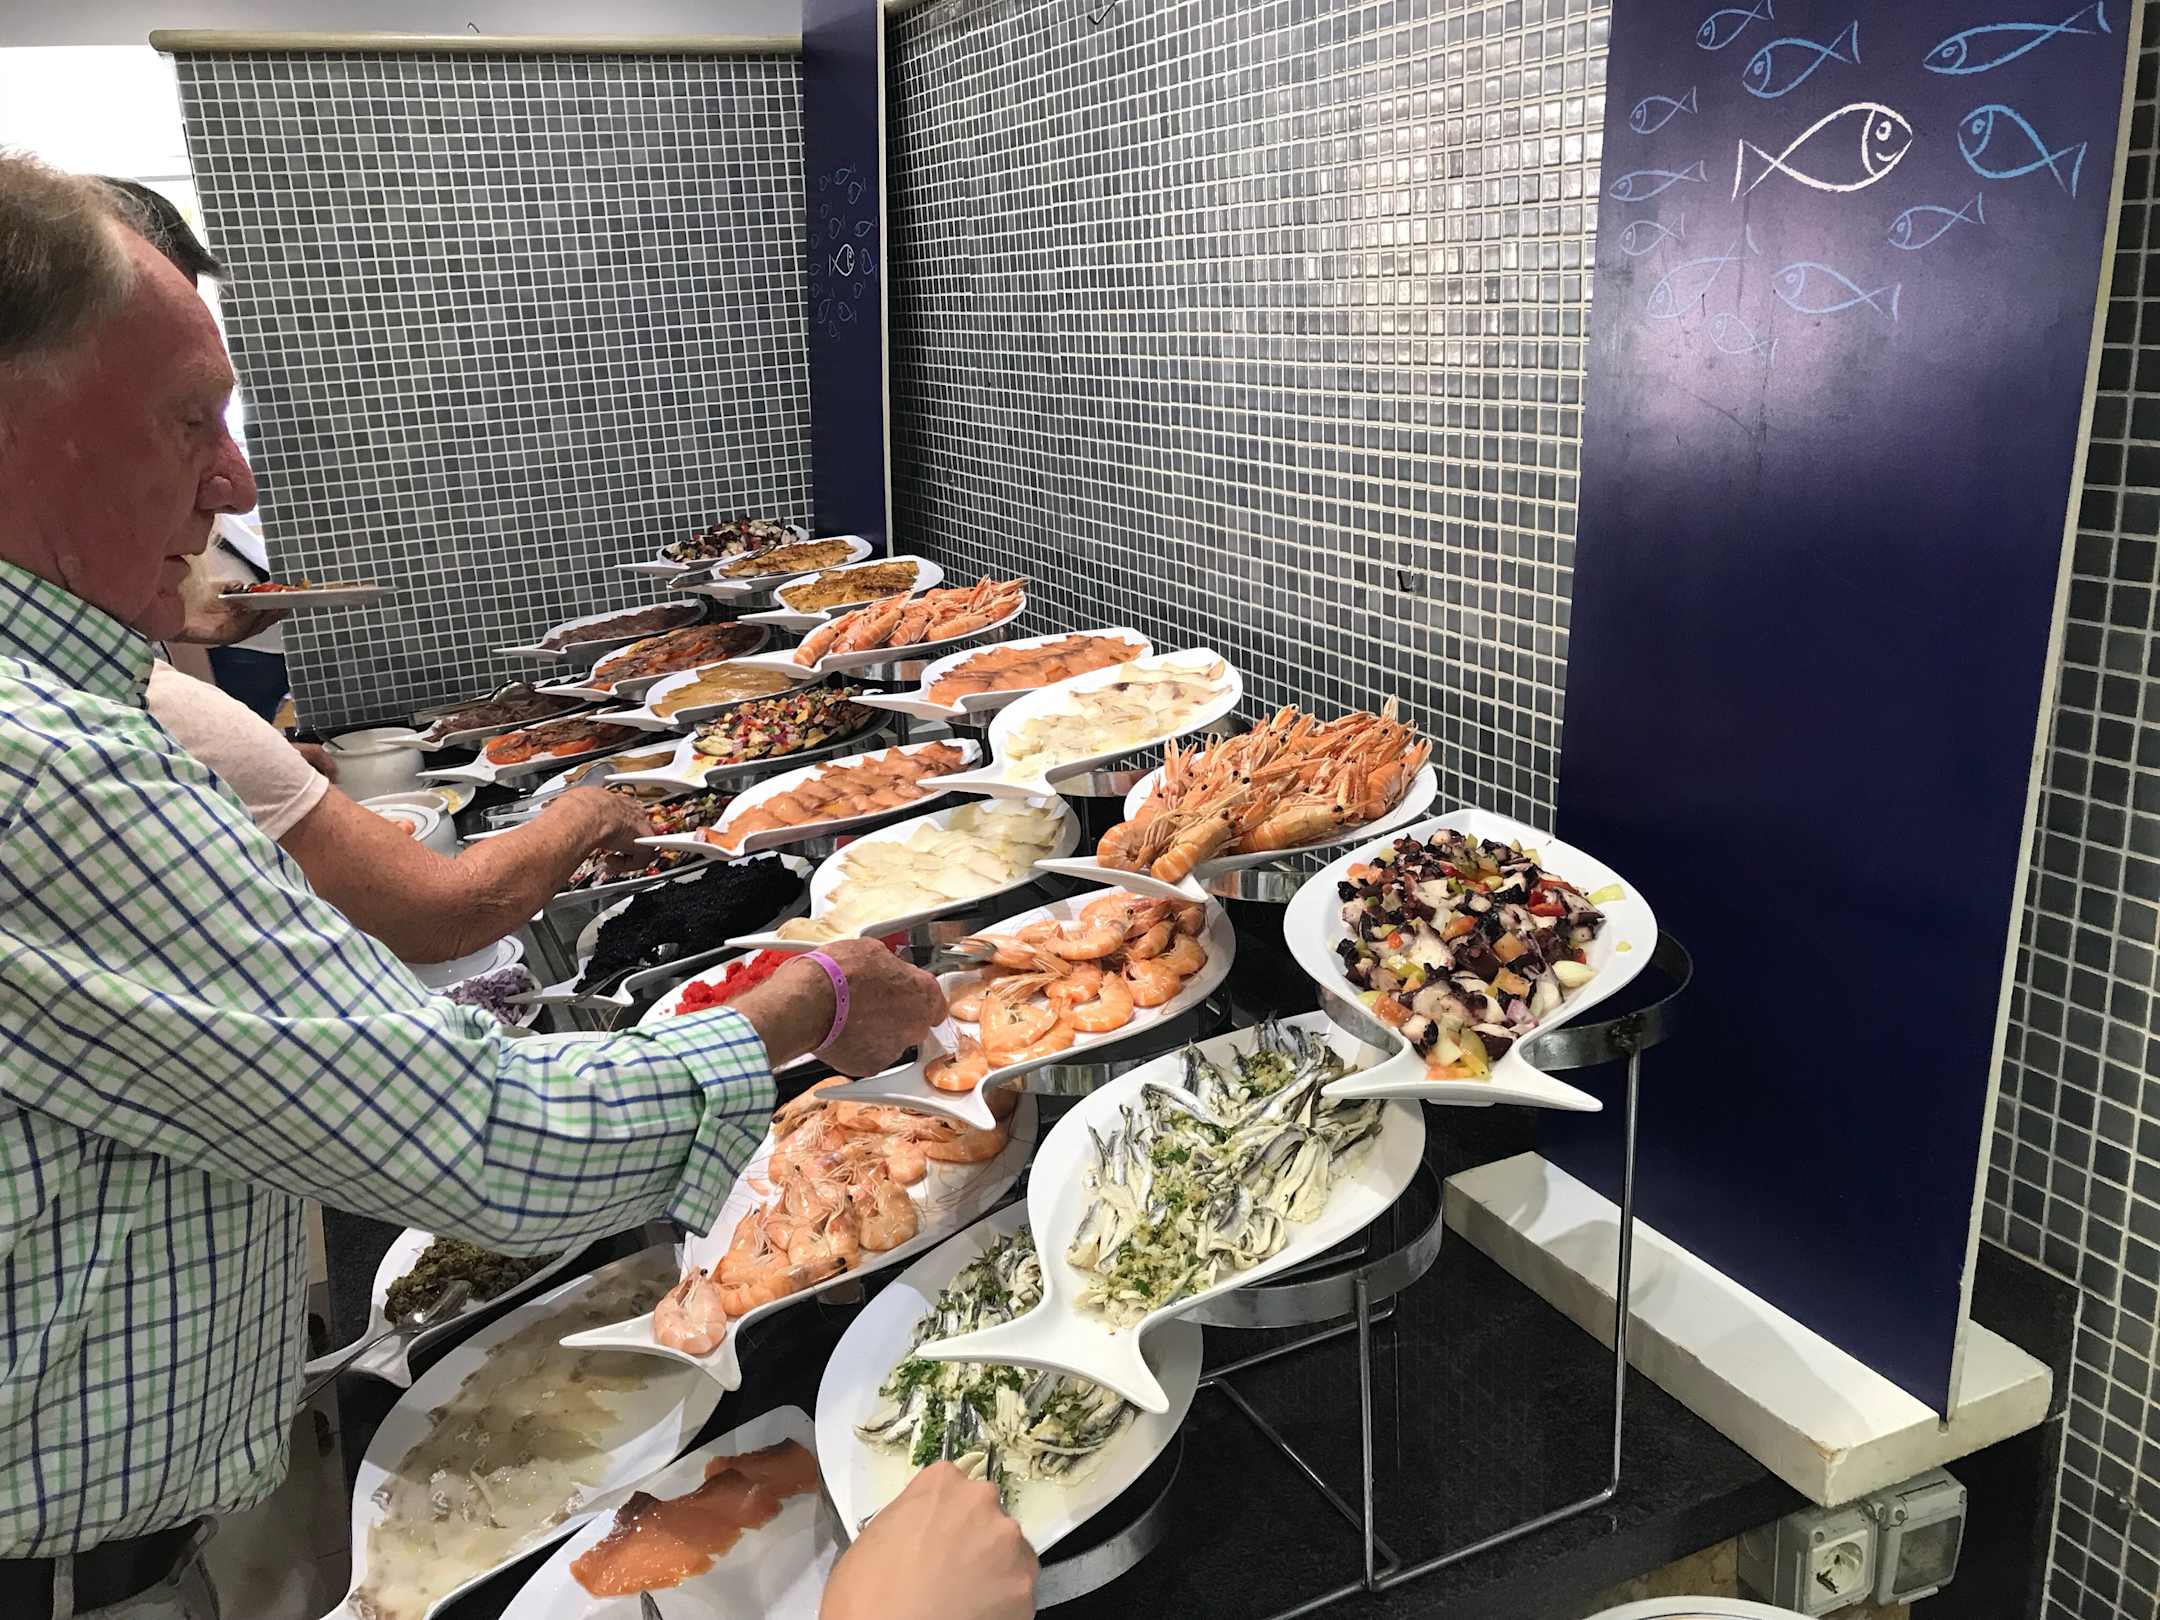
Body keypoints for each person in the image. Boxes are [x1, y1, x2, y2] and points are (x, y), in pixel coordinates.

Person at [0, 156, 1031, 1619]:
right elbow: (487, 1140)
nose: (234, 480)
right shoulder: (49, 766)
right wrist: (811, 995)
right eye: (187, 419)